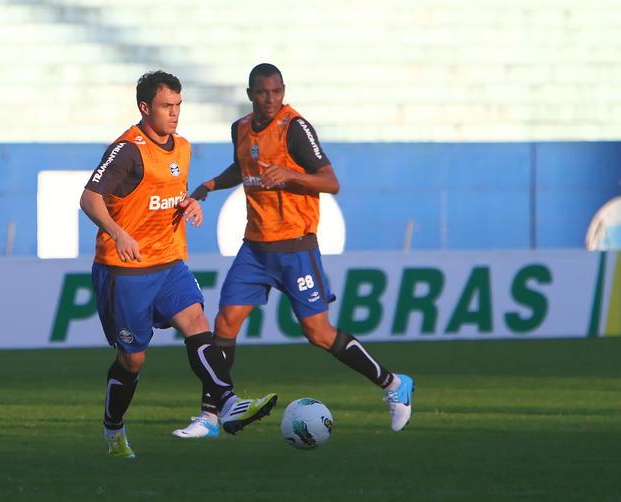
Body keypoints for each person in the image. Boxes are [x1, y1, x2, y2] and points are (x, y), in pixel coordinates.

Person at [173, 63, 414, 438]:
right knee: (224, 324)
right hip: (255, 248)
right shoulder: (240, 128)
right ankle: (211, 415)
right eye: (262, 92)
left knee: (318, 333)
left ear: (283, 91)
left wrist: (291, 175)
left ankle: (393, 384)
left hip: (296, 247)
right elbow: (243, 167)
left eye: (276, 92)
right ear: (250, 93)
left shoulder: (295, 128)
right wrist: (209, 184)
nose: (270, 99)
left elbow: (330, 182)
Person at [80, 70, 278, 458]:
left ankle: (227, 403)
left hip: (169, 262)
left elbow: (166, 193)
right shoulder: (127, 151)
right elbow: (90, 198)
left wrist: (186, 203)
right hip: (126, 272)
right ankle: (113, 429)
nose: (174, 114)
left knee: (197, 322)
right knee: (132, 359)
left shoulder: (183, 147)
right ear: (144, 107)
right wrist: (118, 233)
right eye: (166, 106)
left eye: (178, 106)